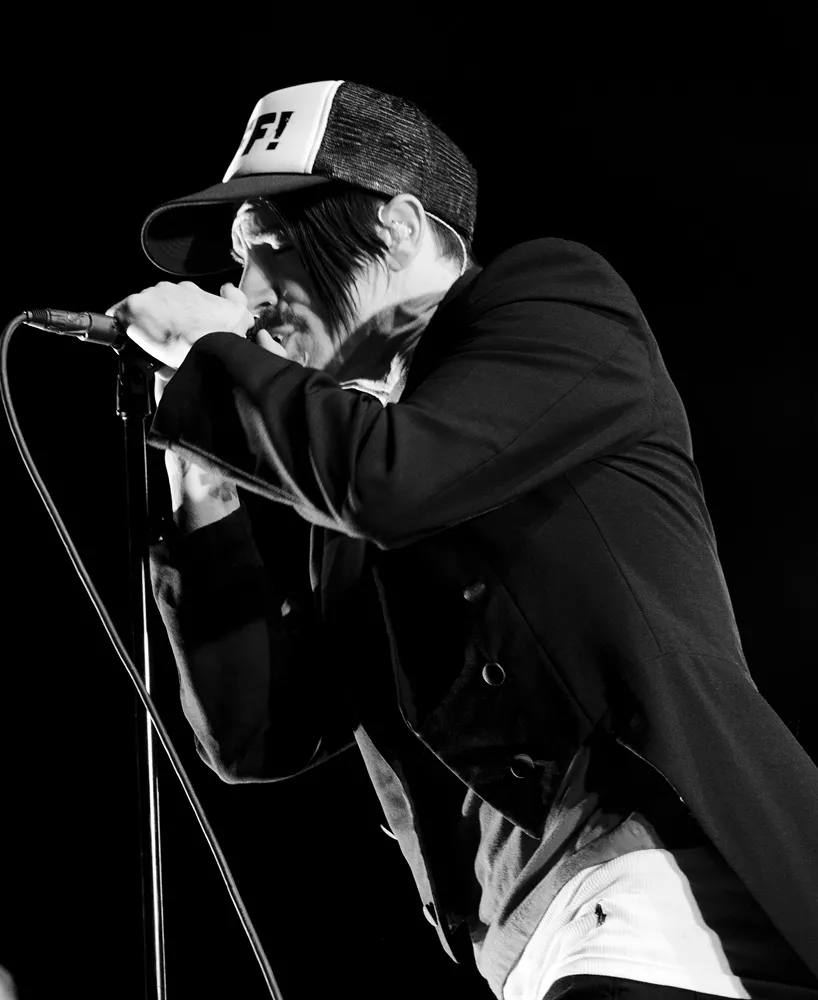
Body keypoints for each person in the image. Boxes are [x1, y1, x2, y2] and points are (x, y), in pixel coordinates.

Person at [110, 80, 818, 999]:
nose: (245, 291)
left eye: (268, 246)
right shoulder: (352, 509)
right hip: (532, 948)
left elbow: (391, 479)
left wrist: (213, 361)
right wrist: (201, 477)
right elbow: (256, 735)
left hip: (655, 899)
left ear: (399, 226)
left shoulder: (552, 304)